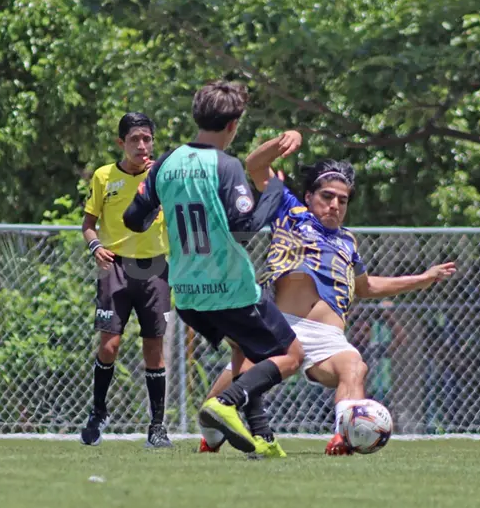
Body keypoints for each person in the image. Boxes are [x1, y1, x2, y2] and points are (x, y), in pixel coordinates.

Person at [198, 153, 456, 455]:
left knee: (355, 366)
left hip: (327, 337)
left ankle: (342, 437)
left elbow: (366, 287)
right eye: (327, 196)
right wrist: (282, 142)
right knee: (230, 387)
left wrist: (422, 279)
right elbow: (255, 165)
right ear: (309, 197)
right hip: (282, 324)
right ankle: (210, 434)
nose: (335, 205)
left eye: (342, 200)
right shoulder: (290, 210)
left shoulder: (348, 242)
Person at [123, 80, 305, 459]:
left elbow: (133, 219)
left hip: (189, 294)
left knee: (244, 351)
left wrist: (166, 204)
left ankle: (262, 438)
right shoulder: (226, 165)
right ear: (233, 125)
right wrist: (273, 192)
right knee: (291, 355)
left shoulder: (166, 163)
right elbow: (244, 228)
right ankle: (225, 402)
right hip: (230, 288)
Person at [80, 112, 172, 448]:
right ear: (121, 142)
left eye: (147, 139)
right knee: (109, 345)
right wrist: (95, 247)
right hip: (115, 268)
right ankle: (98, 412)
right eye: (134, 139)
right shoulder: (104, 176)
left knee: (153, 347)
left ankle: (157, 427)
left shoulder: (162, 177)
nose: (142, 145)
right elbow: (88, 224)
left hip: (154, 269)